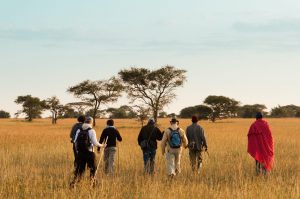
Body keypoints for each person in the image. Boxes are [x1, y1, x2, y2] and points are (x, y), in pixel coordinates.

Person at [70, 117, 106, 187]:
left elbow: (75, 141)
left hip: (80, 153)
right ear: (91, 122)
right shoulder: (91, 130)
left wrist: (77, 151)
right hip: (89, 153)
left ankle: (74, 184)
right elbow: (95, 143)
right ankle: (92, 184)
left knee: (79, 170)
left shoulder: (79, 130)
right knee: (93, 169)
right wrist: (102, 145)